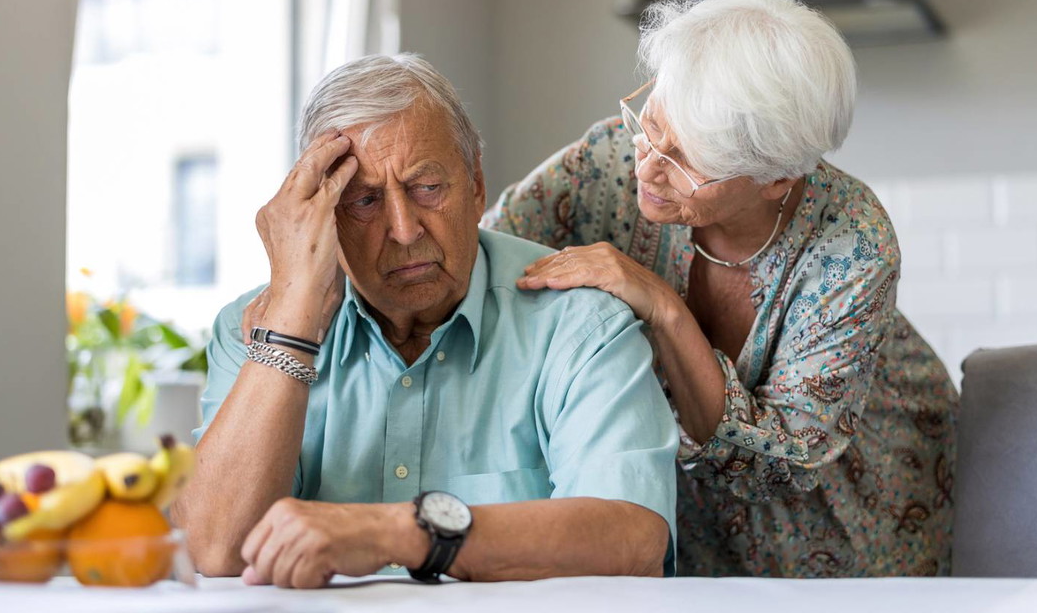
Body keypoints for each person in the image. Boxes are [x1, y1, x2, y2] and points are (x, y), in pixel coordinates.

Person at [483, 0, 958, 578]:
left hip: (848, 501)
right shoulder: (606, 162)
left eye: (689, 161)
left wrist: (663, 308)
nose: (650, 164)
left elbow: (777, 466)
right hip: (682, 504)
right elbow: (481, 255)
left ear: (777, 179)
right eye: (650, 122)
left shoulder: (854, 243)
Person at [176, 54, 678, 588]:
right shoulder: (253, 329)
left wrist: (404, 532)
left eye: (427, 188)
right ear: (322, 218)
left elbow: (632, 540)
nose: (404, 229)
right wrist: (292, 322)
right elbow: (215, 548)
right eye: (364, 201)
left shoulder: (581, 324)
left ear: (478, 186)